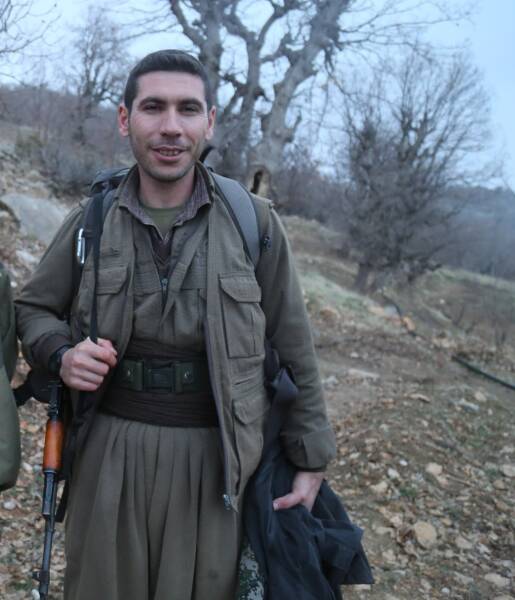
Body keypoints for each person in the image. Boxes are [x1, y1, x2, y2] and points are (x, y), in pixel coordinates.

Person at [15, 49, 336, 600]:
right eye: (153, 107)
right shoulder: (93, 220)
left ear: (209, 122)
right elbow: (32, 308)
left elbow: (293, 344)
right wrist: (63, 355)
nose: (170, 127)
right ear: (125, 119)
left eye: (188, 109)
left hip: (218, 463)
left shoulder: (252, 224)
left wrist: (311, 458)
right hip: (108, 454)